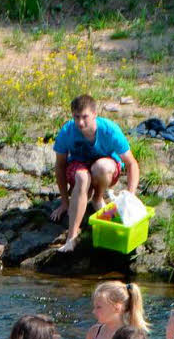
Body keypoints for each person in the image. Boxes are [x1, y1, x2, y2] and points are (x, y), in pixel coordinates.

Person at [51, 94, 140, 252]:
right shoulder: (67, 131)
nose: (80, 122)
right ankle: (71, 237)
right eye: (76, 117)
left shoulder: (110, 130)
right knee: (82, 177)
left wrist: (131, 197)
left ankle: (97, 198)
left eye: (85, 117)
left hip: (104, 171)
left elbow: (131, 164)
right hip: (79, 169)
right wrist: (64, 201)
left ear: (94, 115)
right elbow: (59, 166)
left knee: (102, 167)